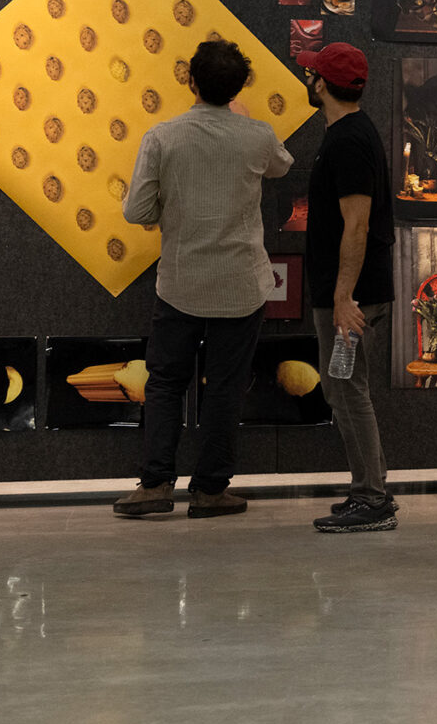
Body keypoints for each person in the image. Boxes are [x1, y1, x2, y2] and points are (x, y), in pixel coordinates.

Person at [114, 38, 294, 519]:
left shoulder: (162, 137)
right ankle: (211, 490)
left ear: (189, 81)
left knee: (166, 385)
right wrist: (246, 117)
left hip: (179, 285)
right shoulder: (257, 135)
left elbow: (136, 211)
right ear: (238, 87)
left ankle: (155, 486)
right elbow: (283, 164)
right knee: (226, 388)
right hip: (241, 286)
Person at [305, 43, 399, 534]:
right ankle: (370, 487)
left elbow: (356, 225)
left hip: (351, 296)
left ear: (321, 84)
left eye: (311, 74)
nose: (309, 81)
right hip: (348, 290)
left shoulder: (347, 140)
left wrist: (343, 298)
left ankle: (372, 499)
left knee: (346, 390)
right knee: (342, 388)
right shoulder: (349, 133)